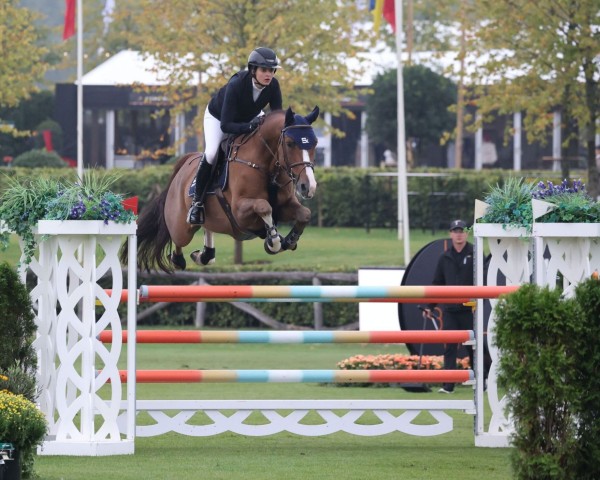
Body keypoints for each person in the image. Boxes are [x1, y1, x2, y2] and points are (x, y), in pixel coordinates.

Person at [187, 47, 283, 225]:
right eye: (264, 70)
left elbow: (276, 118)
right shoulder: (237, 84)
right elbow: (226, 125)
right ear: (253, 70)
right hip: (218, 117)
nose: (268, 74)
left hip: (249, 117)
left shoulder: (273, 86)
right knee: (212, 153)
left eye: (271, 70)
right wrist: (249, 127)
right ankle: (197, 204)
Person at [428, 219, 475, 394]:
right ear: (450, 234)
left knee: (473, 347)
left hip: (469, 308)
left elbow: (483, 279)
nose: (459, 234)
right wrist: (430, 306)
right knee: (449, 348)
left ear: (467, 233)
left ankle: (479, 381)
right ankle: (448, 385)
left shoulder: (475, 253)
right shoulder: (444, 257)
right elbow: (437, 283)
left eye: (461, 231)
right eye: (455, 231)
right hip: (450, 310)